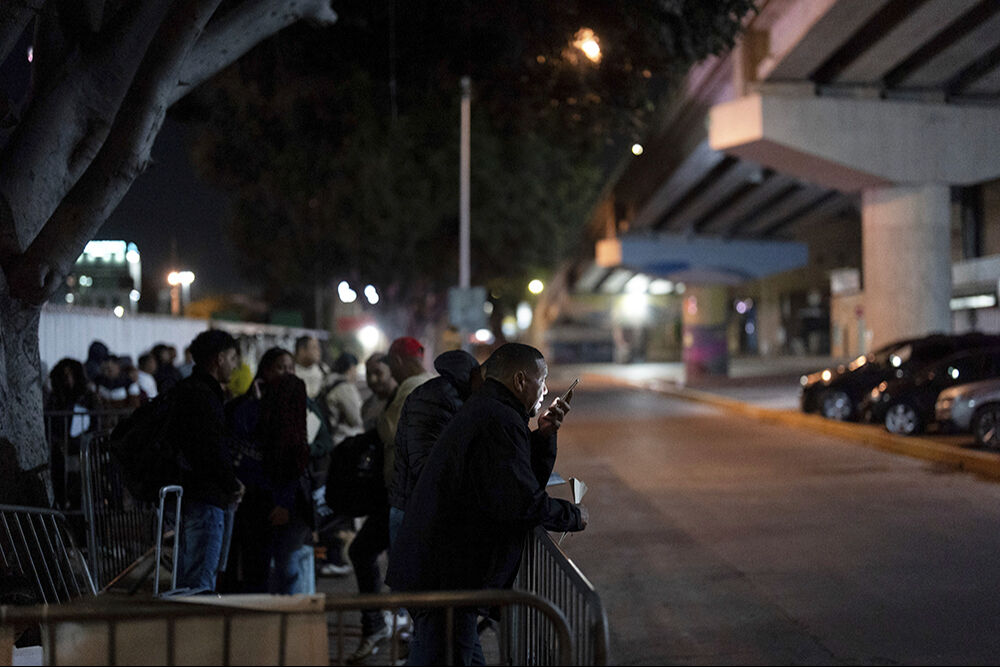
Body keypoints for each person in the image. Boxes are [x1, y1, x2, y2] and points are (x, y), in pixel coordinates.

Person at [386, 343, 588, 665]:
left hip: (449, 577)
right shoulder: (498, 419)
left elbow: (516, 481)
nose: (547, 390)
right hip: (446, 580)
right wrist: (572, 515)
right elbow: (518, 501)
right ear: (521, 380)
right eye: (543, 379)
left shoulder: (492, 410)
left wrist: (545, 435)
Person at [346, 337, 432, 663]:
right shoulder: (417, 386)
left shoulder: (410, 390)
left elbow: (391, 432)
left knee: (392, 565)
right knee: (393, 565)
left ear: (396, 362)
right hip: (399, 495)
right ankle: (398, 632)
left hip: (402, 497)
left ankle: (397, 632)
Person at [224, 348, 312, 594]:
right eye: (280, 367)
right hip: (243, 495)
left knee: (265, 564)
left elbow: (294, 457)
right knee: (241, 560)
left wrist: (284, 501)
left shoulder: (294, 399)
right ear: (266, 370)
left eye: (290, 368)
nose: (286, 373)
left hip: (269, 498)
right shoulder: (247, 407)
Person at [171, 329, 244, 593]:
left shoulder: (191, 389)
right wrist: (231, 484)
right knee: (200, 583)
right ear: (220, 358)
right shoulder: (204, 395)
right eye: (234, 358)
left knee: (190, 577)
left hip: (193, 494)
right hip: (205, 498)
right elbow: (211, 450)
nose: (236, 366)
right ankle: (196, 633)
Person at [388, 349, 481, 547]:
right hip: (418, 512)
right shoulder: (436, 397)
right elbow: (425, 465)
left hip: (417, 508)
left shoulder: (449, 395)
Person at [313, 352, 364, 579]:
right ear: (349, 368)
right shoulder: (343, 388)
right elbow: (356, 418)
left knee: (330, 506)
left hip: (330, 452)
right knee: (343, 510)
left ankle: (327, 557)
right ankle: (336, 556)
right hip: (345, 452)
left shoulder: (326, 383)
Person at [361, 353, 397, 431]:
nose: (372, 379)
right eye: (368, 374)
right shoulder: (367, 406)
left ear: (391, 371)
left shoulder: (401, 401)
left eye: (378, 373)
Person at [294, 335, 330, 401]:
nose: (319, 351)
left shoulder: (324, 370)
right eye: (314, 347)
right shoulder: (291, 371)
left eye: (319, 348)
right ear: (302, 351)